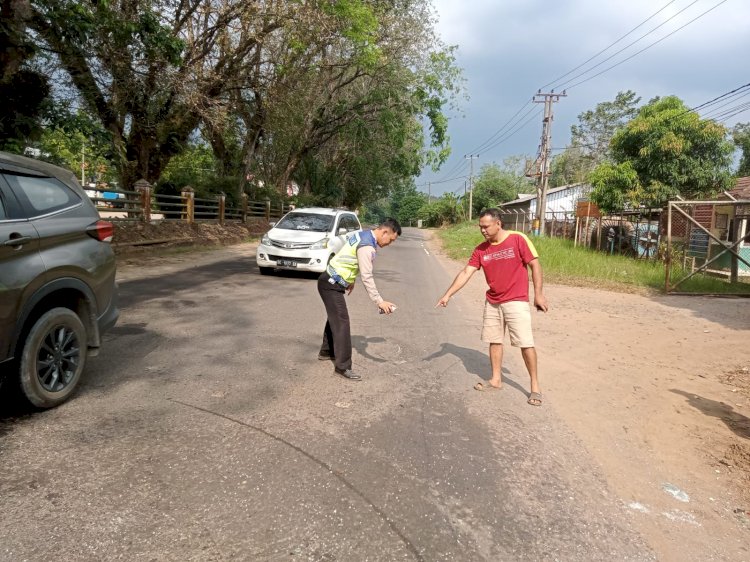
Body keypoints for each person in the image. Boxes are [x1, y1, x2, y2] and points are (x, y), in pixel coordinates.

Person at [435, 208, 548, 406]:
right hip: (493, 301)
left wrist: (538, 294)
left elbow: (535, 265)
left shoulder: (518, 239)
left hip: (516, 300)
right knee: (494, 340)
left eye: (486, 227)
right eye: (480, 227)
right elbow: (465, 272)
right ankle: (496, 380)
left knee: (525, 342)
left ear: (498, 224)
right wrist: (447, 295)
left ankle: (535, 387)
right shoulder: (481, 249)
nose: (483, 231)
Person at [318, 218, 402, 380]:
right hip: (330, 284)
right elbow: (367, 276)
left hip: (330, 279)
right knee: (342, 322)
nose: (389, 244)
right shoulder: (367, 247)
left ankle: (326, 351)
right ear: (385, 232)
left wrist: (349, 280)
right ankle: (343, 366)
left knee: (335, 316)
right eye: (390, 240)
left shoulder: (363, 234)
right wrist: (379, 301)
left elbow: (348, 257)